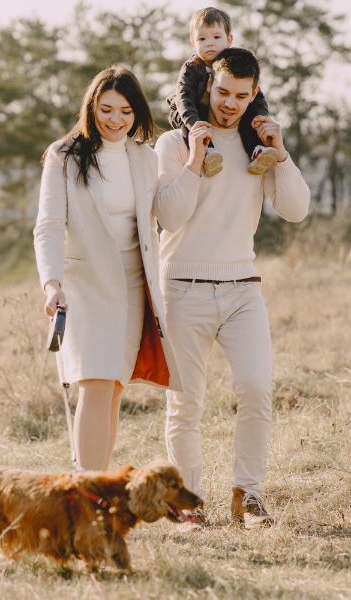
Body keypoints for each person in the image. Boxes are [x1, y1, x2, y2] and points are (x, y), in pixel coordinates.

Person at [154, 47, 311, 527]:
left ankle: (249, 498)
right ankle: (189, 502)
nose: (230, 103)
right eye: (223, 91)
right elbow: (171, 215)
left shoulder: (255, 141)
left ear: (254, 94)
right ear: (207, 86)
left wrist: (280, 153)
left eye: (242, 95)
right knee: (186, 403)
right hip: (182, 286)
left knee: (258, 389)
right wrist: (196, 159)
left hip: (243, 287)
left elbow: (296, 209)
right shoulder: (173, 143)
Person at [34, 66, 183, 472]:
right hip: (85, 288)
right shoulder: (63, 156)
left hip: (135, 287)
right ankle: (87, 492)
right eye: (106, 109)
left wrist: (195, 166)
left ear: (137, 113)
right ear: (91, 109)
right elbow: (47, 226)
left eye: (125, 110)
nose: (115, 119)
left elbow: (166, 215)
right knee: (96, 387)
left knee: (113, 391)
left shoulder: (145, 158)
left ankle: (97, 492)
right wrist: (51, 283)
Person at [166, 7, 278, 179]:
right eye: (202, 38)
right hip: (187, 110)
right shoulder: (192, 67)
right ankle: (207, 153)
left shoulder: (232, 64)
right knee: (192, 124)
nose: (209, 43)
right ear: (193, 43)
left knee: (246, 117)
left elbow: (257, 96)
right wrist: (193, 122)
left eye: (216, 37)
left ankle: (256, 151)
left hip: (214, 110)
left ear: (229, 40)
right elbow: (183, 98)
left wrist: (261, 116)